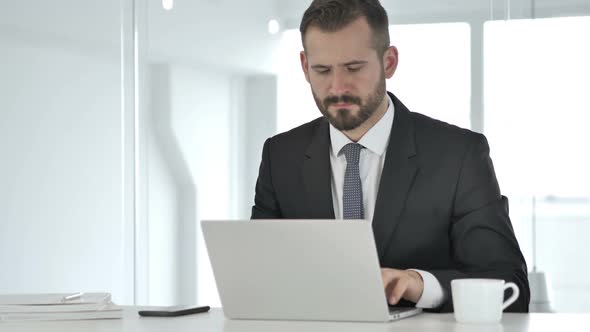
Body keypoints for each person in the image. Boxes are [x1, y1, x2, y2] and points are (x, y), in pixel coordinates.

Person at [251, 0, 529, 313]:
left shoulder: (459, 155)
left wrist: (420, 285)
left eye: (354, 68)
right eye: (322, 70)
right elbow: (259, 278)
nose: (338, 87)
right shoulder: (279, 156)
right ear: (304, 67)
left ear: (389, 62)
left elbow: (511, 285)